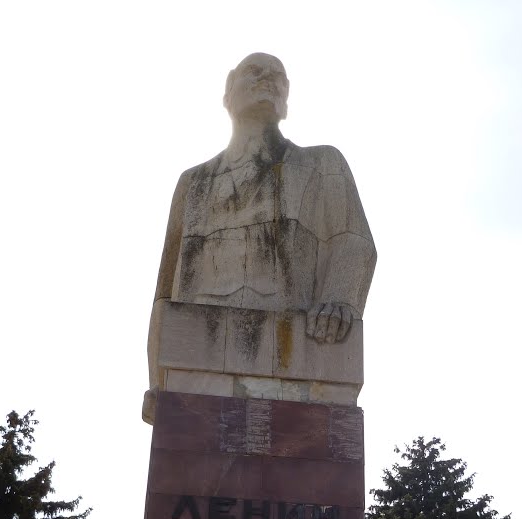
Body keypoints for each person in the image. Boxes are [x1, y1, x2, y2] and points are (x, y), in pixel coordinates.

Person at [145, 52, 376, 412]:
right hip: (196, 346)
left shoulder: (321, 163)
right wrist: (157, 378)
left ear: (287, 98)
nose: (269, 79)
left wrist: (339, 300)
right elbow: (164, 289)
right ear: (227, 91)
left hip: (297, 340)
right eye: (255, 71)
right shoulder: (193, 183)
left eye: (279, 76)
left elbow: (354, 241)